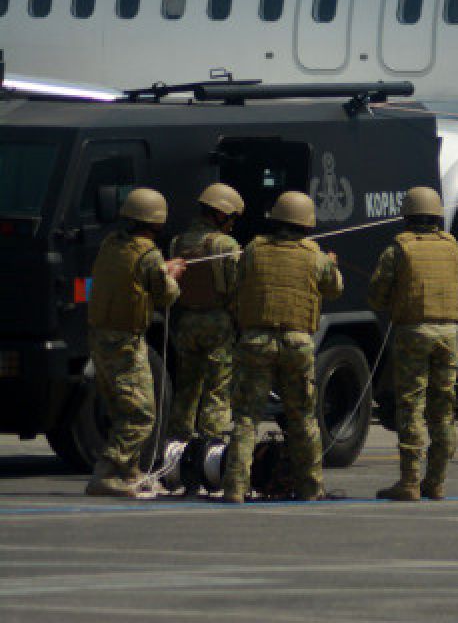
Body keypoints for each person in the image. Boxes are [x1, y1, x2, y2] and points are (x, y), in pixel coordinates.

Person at [221, 191, 343, 503]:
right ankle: (310, 487)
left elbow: (236, 285)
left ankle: (235, 488)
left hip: (255, 342)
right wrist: (330, 264)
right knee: (302, 417)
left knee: (246, 418)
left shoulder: (253, 250)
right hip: (296, 344)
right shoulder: (314, 256)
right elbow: (335, 288)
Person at [368, 186, 458, 502]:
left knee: (411, 407)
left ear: (408, 217)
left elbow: (376, 295)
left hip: (413, 333)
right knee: (443, 409)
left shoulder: (397, 250)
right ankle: (436, 482)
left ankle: (410, 482)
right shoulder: (454, 249)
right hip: (448, 335)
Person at [85, 188, 186, 497]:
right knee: (141, 414)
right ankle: (106, 472)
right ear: (156, 221)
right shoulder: (149, 254)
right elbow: (166, 295)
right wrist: (173, 275)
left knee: (121, 408)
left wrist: (160, 270)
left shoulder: (111, 244)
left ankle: (129, 472)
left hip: (100, 337)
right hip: (126, 342)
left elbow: (134, 276)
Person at [166, 183, 244, 443]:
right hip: (217, 324)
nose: (233, 223)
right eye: (231, 217)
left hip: (186, 323)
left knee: (186, 389)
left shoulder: (178, 243)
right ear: (220, 214)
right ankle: (213, 448)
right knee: (217, 389)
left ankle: (176, 448)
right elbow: (237, 289)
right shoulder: (226, 244)